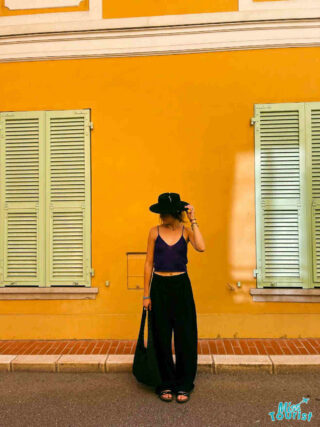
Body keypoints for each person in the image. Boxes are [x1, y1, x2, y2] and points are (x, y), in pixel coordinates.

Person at [143, 192, 205, 404]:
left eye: (165, 213)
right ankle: (165, 383)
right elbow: (148, 263)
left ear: (174, 213)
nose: (161, 217)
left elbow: (201, 247)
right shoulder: (154, 232)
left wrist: (193, 219)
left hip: (181, 286)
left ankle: (184, 383)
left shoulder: (186, 231)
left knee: (185, 336)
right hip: (159, 286)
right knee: (161, 336)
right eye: (160, 213)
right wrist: (146, 294)